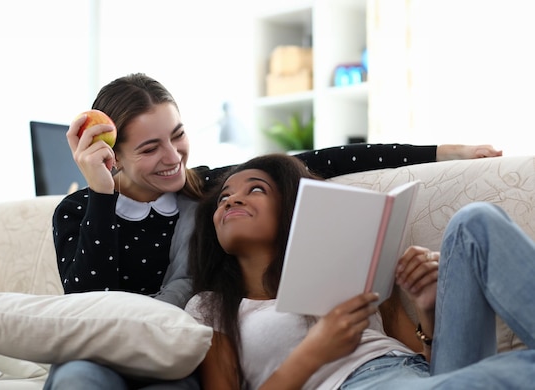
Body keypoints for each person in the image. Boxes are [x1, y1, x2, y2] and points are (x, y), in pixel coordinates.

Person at [44, 72, 503, 390]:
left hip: (176, 364)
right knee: (79, 379)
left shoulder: (203, 188)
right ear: (113, 155)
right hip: (112, 351)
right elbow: (90, 304)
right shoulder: (79, 209)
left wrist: (444, 150)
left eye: (177, 135)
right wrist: (101, 194)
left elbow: (320, 160)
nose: (173, 157)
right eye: (149, 148)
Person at [185, 153, 535, 389]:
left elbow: (425, 360)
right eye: (223, 198)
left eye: (255, 189)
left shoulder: (352, 264)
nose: (232, 200)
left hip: (424, 377)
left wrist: (426, 307)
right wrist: (316, 352)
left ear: (292, 205)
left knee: (475, 222)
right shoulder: (209, 308)